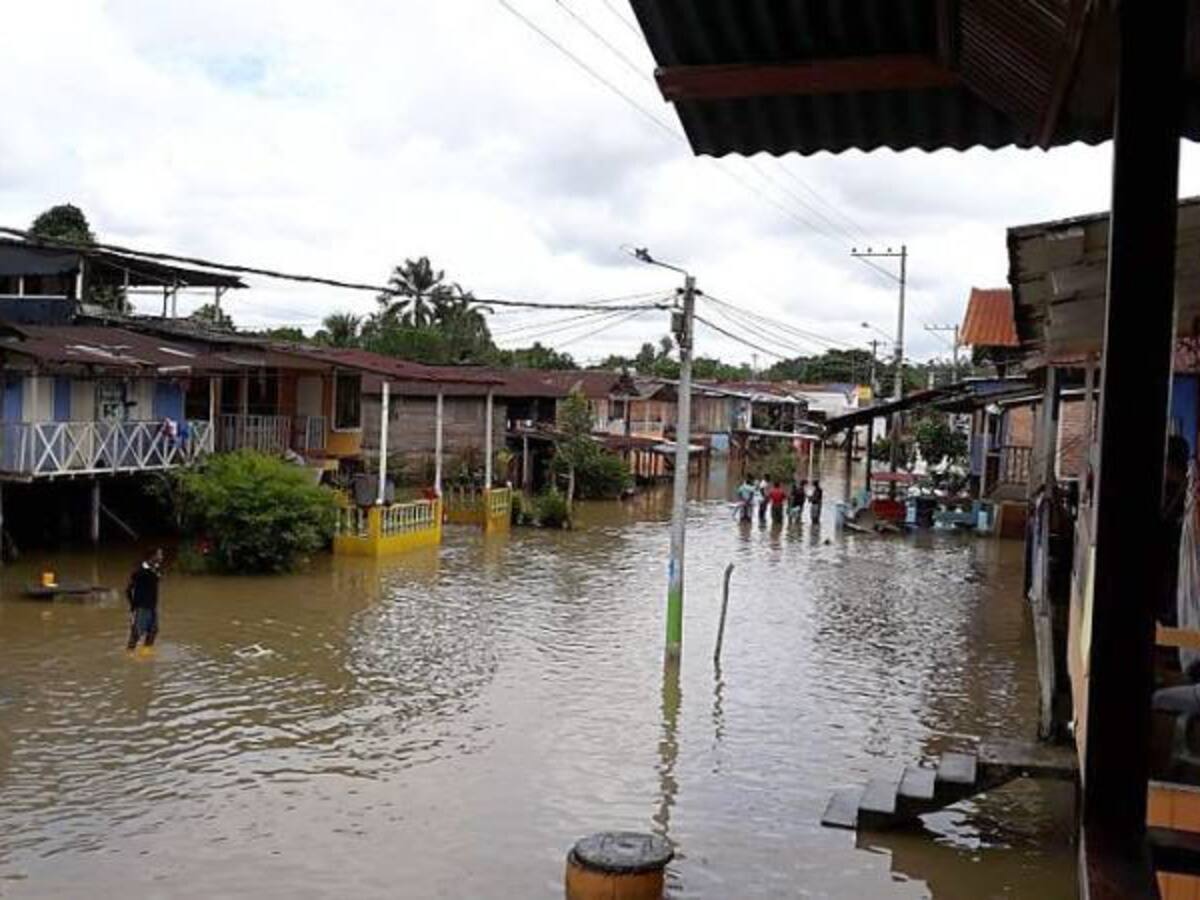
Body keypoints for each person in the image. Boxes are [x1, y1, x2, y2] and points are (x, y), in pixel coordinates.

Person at [126, 548, 164, 652]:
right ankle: (129, 655)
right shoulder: (140, 571)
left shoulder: (156, 568)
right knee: (136, 633)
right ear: (152, 556)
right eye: (160, 554)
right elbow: (128, 589)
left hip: (152, 606)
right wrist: (133, 606)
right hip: (142, 607)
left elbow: (157, 578)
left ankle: (146, 652)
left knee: (153, 631)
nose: (162, 557)